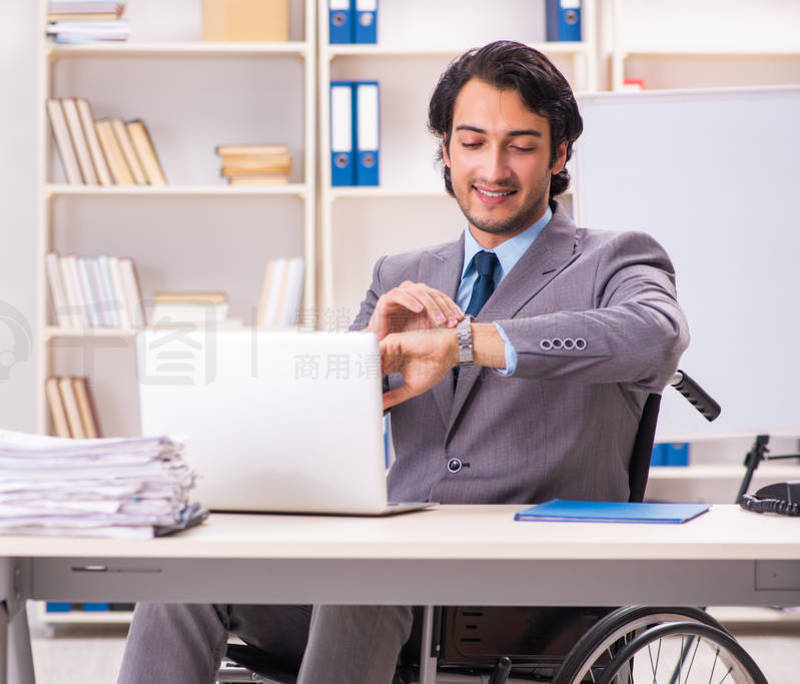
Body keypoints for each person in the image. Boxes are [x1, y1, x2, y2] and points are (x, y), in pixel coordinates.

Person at [117, 40, 688, 684]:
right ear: (444, 151)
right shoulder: (403, 273)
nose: (493, 168)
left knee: (362, 582)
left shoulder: (613, 258)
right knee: (190, 575)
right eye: (472, 142)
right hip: (389, 565)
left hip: (527, 593)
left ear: (559, 155)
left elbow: (655, 336)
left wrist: (468, 342)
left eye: (520, 145)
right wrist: (362, 358)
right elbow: (327, 427)